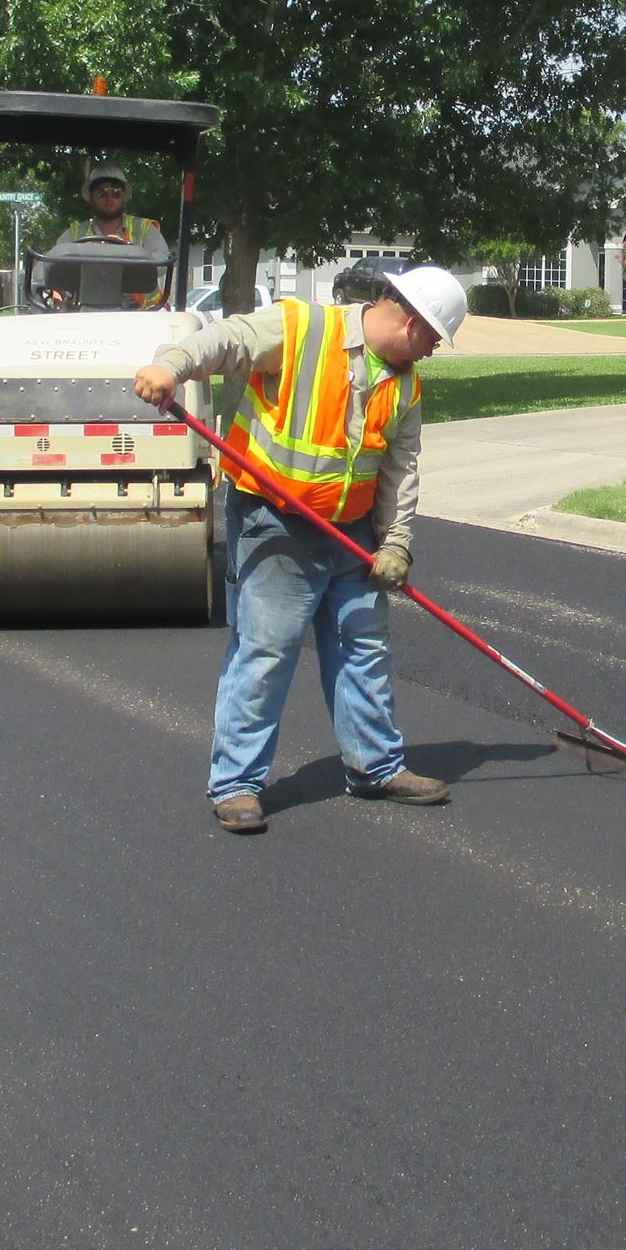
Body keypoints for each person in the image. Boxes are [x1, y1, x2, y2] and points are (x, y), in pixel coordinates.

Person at [132, 265, 469, 833]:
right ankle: (237, 785)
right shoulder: (303, 328)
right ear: (410, 321)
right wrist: (169, 366)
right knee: (265, 653)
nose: (433, 351)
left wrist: (397, 543)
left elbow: (400, 469)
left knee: (363, 647)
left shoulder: (406, 384)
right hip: (276, 521)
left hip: (353, 532)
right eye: (434, 338)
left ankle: (376, 765)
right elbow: (226, 340)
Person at [31, 160, 169, 309]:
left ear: (124, 196)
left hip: (143, 315)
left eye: (116, 193)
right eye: (101, 193)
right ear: (90, 197)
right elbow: (43, 267)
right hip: (87, 316)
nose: (109, 199)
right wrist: (58, 288)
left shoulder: (144, 229)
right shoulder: (76, 233)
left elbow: (163, 261)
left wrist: (132, 266)